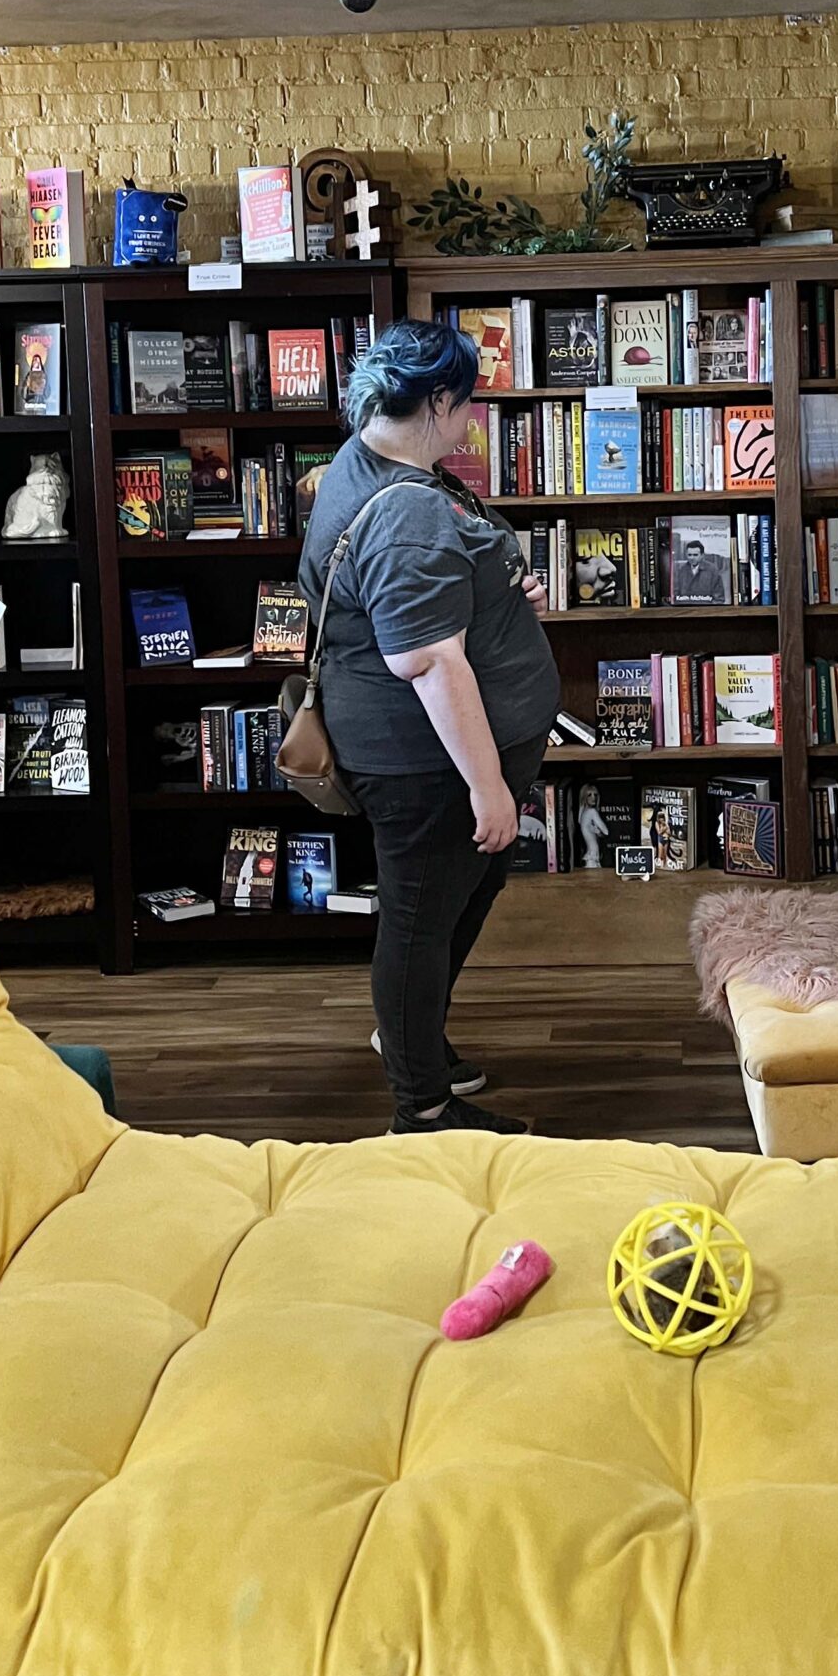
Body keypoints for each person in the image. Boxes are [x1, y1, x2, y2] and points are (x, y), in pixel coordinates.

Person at [301, 318, 559, 1134]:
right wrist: (489, 787)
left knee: (446, 905)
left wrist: (498, 597)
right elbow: (428, 662)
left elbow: (410, 605)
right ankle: (423, 1107)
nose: (473, 420)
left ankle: (411, 1040)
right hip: (425, 763)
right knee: (417, 919)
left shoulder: (371, 460)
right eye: (468, 404)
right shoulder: (403, 509)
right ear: (438, 399)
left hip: (431, 753)